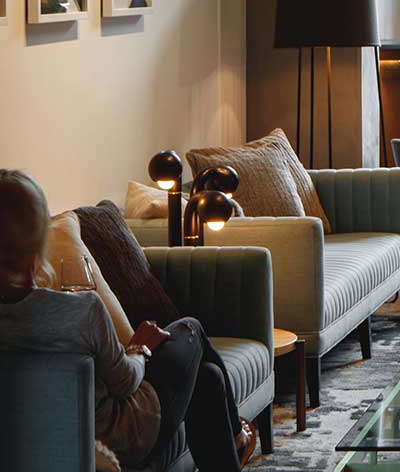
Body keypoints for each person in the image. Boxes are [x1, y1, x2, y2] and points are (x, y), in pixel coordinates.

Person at [0, 170, 255, 471]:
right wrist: (138, 349)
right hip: (123, 436)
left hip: (46, 440)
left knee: (208, 378)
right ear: (38, 237)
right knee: (190, 328)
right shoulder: (82, 311)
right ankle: (237, 436)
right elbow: (125, 383)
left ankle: (235, 443)